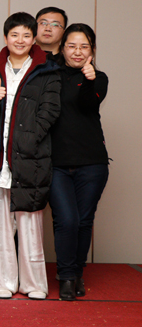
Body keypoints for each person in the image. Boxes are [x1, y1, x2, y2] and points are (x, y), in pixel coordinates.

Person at [0, 12, 61, 300]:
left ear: (33, 38)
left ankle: (34, 284)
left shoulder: (46, 70)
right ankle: (3, 281)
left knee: (30, 224)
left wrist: (27, 139)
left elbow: (50, 111)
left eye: (26, 35)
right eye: (15, 35)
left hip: (30, 156)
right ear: (5, 37)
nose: (20, 40)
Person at [48, 24, 109, 301]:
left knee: (84, 221)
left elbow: (87, 105)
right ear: (62, 48)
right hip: (56, 163)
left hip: (92, 162)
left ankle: (76, 273)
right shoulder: (51, 75)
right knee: (67, 220)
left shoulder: (99, 78)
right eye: (72, 46)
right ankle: (66, 276)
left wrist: (89, 78)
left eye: (84, 46)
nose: (77, 52)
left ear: (92, 51)